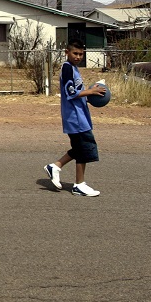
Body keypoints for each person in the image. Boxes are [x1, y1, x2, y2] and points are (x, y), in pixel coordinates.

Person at [44, 40, 105, 197]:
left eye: (81, 54)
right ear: (67, 52)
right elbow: (70, 93)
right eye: (75, 53)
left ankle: (55, 166)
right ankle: (79, 185)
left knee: (80, 148)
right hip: (74, 117)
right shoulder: (66, 68)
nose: (78, 57)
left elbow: (77, 91)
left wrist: (91, 93)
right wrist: (90, 92)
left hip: (80, 115)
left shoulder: (74, 69)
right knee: (84, 149)